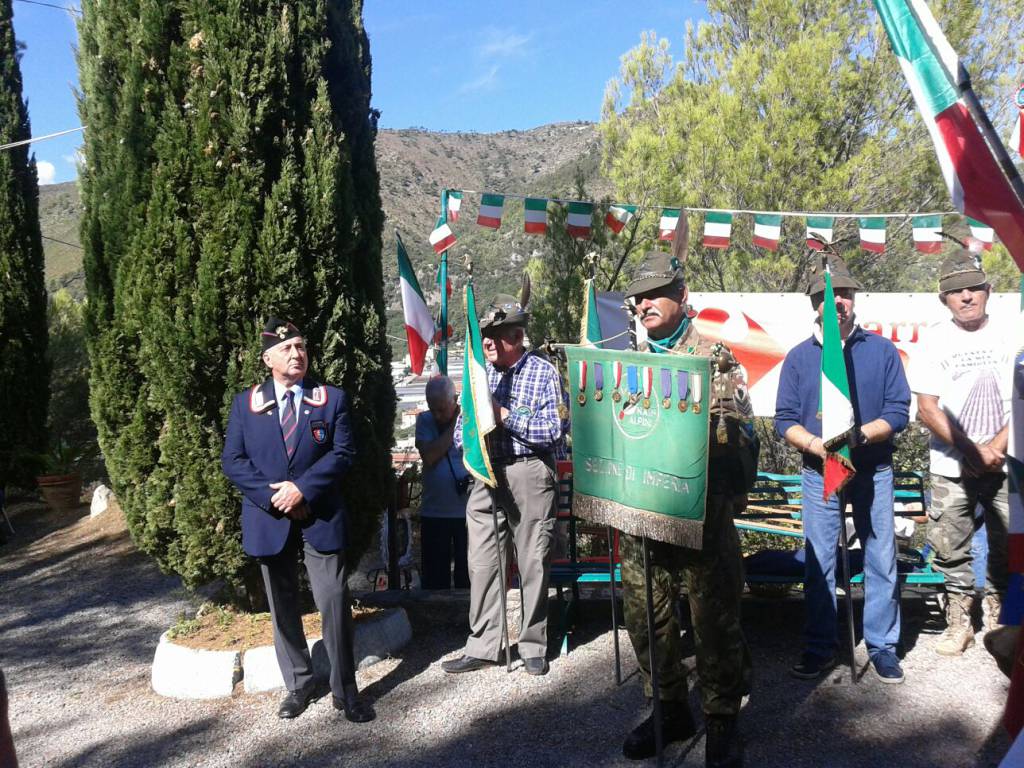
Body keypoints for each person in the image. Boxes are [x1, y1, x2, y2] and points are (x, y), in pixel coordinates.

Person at [618, 252, 753, 768]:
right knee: (644, 618)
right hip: (641, 515)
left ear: (682, 296)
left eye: (656, 294)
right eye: (640, 297)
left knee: (713, 619)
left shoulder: (715, 359)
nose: (644, 303)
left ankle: (722, 717)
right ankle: (669, 707)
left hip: (701, 515)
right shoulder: (625, 364)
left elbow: (740, 438)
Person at [221, 317, 373, 722]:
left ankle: (345, 690)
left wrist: (302, 489)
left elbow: (342, 454)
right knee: (282, 606)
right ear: (267, 357)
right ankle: (299, 684)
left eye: (302, 347)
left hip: (320, 514)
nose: (297, 354)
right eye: (287, 348)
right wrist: (279, 499)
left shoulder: (331, 399)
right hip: (270, 519)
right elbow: (233, 462)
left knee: (334, 601)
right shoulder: (245, 405)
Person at [775, 255, 910, 684]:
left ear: (853, 301)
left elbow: (899, 411)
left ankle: (882, 646)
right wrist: (820, 445)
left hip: (873, 468)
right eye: (825, 298)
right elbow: (784, 420)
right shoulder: (798, 358)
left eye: (843, 296)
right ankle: (819, 646)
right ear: (814, 305)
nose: (835, 304)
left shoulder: (882, 350)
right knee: (820, 562)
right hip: (820, 471)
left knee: (880, 557)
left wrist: (861, 436)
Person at [441, 294, 566, 677]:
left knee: (531, 562)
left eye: (495, 335)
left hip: (528, 473)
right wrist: (474, 430)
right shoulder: (480, 374)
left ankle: (532, 645)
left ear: (517, 336)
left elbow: (553, 431)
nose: (488, 343)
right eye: (484, 337)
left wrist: (504, 415)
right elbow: (462, 431)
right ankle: (483, 644)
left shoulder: (542, 372)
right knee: (481, 563)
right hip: (485, 475)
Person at [909, 251, 1012, 656]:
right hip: (952, 464)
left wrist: (995, 448)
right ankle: (959, 621)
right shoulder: (934, 339)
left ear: (989, 291)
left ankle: (1004, 619)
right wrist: (971, 450)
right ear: (944, 300)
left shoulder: (1014, 331)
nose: (966, 297)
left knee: (1010, 545)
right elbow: (927, 407)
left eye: (973, 288)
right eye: (955, 292)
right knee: (951, 546)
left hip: (1009, 461)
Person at [415, 375, 471, 590]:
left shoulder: (469, 420)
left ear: (455, 400)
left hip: (466, 512)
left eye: (442, 409)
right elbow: (430, 455)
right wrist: (454, 425)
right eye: (433, 408)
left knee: (467, 577)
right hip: (435, 513)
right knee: (435, 579)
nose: (437, 415)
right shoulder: (424, 421)